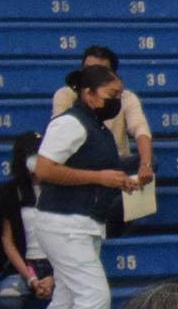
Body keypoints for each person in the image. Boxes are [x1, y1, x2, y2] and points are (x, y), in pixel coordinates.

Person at [31, 63, 137, 309]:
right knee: (95, 296)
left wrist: (121, 180)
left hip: (83, 220)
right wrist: (99, 178)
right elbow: (45, 170)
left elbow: (95, 170)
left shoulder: (96, 125)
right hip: (64, 221)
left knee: (66, 299)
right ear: (88, 94)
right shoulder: (70, 123)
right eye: (111, 95)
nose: (116, 101)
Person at [51, 44, 154, 200]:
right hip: (81, 164)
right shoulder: (65, 96)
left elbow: (140, 129)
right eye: (87, 69)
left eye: (99, 71)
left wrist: (145, 165)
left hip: (116, 163)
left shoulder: (125, 98)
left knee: (148, 160)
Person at [0, 131, 52, 309]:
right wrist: (31, 277)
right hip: (23, 267)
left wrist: (53, 277)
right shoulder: (10, 192)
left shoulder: (61, 190)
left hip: (59, 265)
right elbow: (7, 241)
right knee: (7, 303)